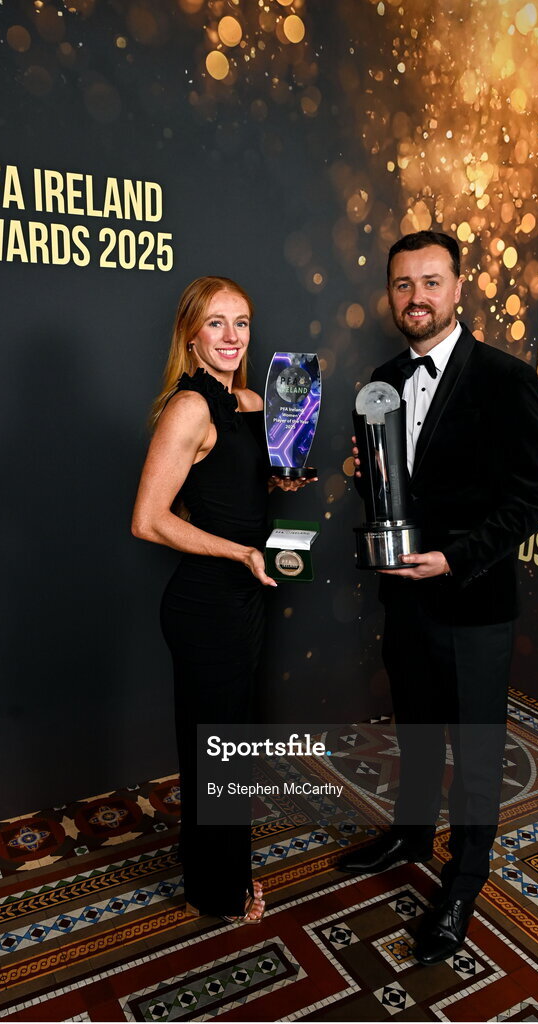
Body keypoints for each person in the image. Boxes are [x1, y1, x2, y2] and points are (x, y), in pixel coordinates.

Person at [338, 231, 538, 964]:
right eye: (402, 285)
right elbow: (395, 487)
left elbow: (528, 502)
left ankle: (463, 879)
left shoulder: (504, 378)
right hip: (404, 599)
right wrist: (357, 471)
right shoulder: (380, 377)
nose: (415, 297)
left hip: (472, 600)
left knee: (476, 748)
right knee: (418, 724)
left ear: (459, 288)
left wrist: (452, 559)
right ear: (389, 294)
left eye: (430, 282)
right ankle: (408, 832)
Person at [131, 276, 309, 923]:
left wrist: (281, 477)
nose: (232, 337)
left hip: (248, 599)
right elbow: (148, 520)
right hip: (206, 606)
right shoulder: (190, 409)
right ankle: (217, 891)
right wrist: (238, 551)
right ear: (191, 335)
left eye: (242, 323)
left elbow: (235, 488)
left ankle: (221, 873)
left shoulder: (252, 402)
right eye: (216, 324)